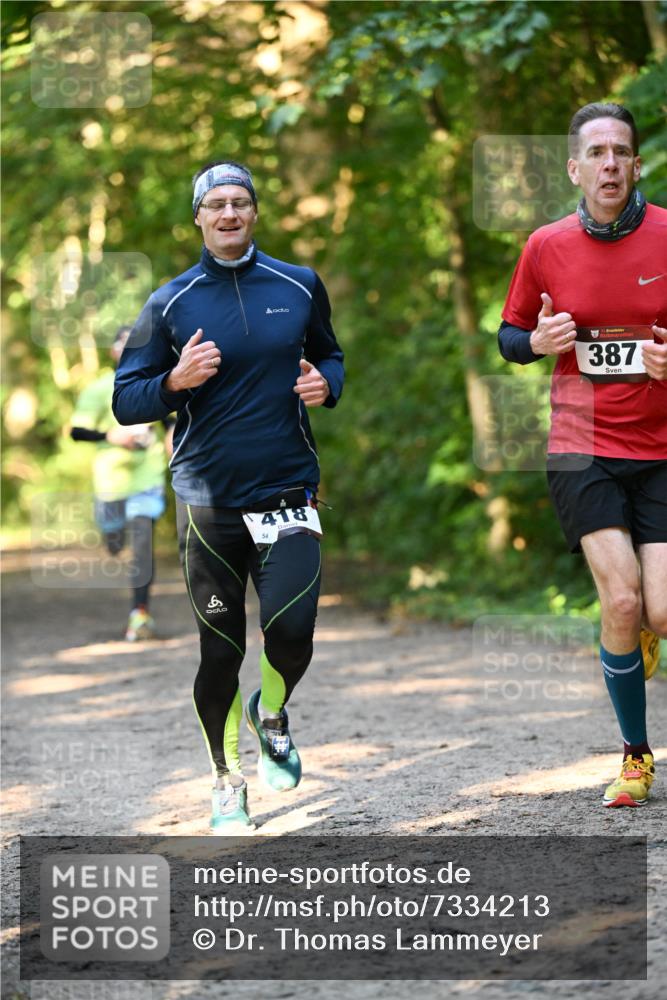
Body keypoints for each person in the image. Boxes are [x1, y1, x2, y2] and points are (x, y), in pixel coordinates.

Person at [112, 160, 344, 832]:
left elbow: (330, 356)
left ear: (254, 212)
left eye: (239, 202)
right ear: (198, 218)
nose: (228, 214)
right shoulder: (170, 303)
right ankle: (225, 778)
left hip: (287, 492)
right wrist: (175, 381)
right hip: (208, 503)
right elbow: (127, 401)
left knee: (292, 633)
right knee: (221, 650)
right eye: (215, 204)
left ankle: (271, 713)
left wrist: (325, 385)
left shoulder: (298, 286)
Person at [498, 102, 667, 807]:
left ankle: (643, 632)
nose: (607, 163)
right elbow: (507, 338)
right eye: (594, 152)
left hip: (660, 448)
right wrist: (536, 344)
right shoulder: (545, 245)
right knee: (620, 597)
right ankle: (634, 756)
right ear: (574, 167)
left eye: (618, 152)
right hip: (581, 444)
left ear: (634, 165)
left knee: (659, 611)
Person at [70, 326, 172, 641]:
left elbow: (168, 419)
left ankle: (139, 613)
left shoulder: (155, 383)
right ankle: (113, 537)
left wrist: (170, 438)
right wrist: (111, 436)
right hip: (111, 480)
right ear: (114, 352)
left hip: (148, 477)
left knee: (142, 544)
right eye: (124, 346)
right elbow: (77, 431)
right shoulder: (100, 388)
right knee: (115, 542)